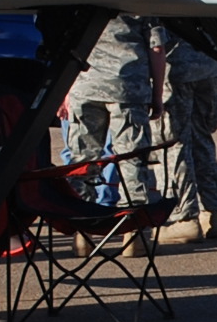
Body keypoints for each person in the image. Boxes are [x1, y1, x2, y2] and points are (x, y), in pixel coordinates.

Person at [63, 14, 160, 208]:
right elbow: (157, 48)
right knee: (131, 157)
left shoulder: (79, 0)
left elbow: (65, 45)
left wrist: (65, 90)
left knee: (82, 159)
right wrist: (157, 95)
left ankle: (81, 217)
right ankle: (132, 218)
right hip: (128, 88)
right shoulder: (141, 2)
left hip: (85, 86)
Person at [151, 20, 217, 245]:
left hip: (175, 67)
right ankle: (209, 211)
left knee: (172, 144)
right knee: (202, 138)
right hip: (209, 61)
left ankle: (183, 217)